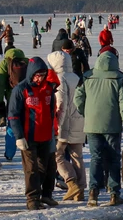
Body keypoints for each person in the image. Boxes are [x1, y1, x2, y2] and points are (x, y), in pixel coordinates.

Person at [75, 50, 123, 207]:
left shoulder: (87, 76)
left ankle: (93, 193)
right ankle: (114, 193)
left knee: (96, 158)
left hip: (92, 125)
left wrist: (86, 112)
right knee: (114, 158)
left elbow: (77, 98)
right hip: (112, 126)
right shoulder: (121, 77)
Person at [8, 57, 60, 210]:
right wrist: (19, 136)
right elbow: (13, 115)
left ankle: (44, 195)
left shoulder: (49, 88)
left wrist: (53, 131)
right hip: (28, 137)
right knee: (31, 169)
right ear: (31, 73)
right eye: (37, 75)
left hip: (45, 136)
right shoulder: (21, 90)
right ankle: (32, 200)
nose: (40, 78)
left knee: (46, 167)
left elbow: (52, 111)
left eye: (43, 75)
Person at [48, 50, 85, 202]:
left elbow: (61, 105)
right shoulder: (76, 78)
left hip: (66, 124)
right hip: (79, 122)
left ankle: (71, 182)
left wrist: (57, 126)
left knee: (56, 155)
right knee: (77, 156)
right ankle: (80, 190)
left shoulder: (59, 79)